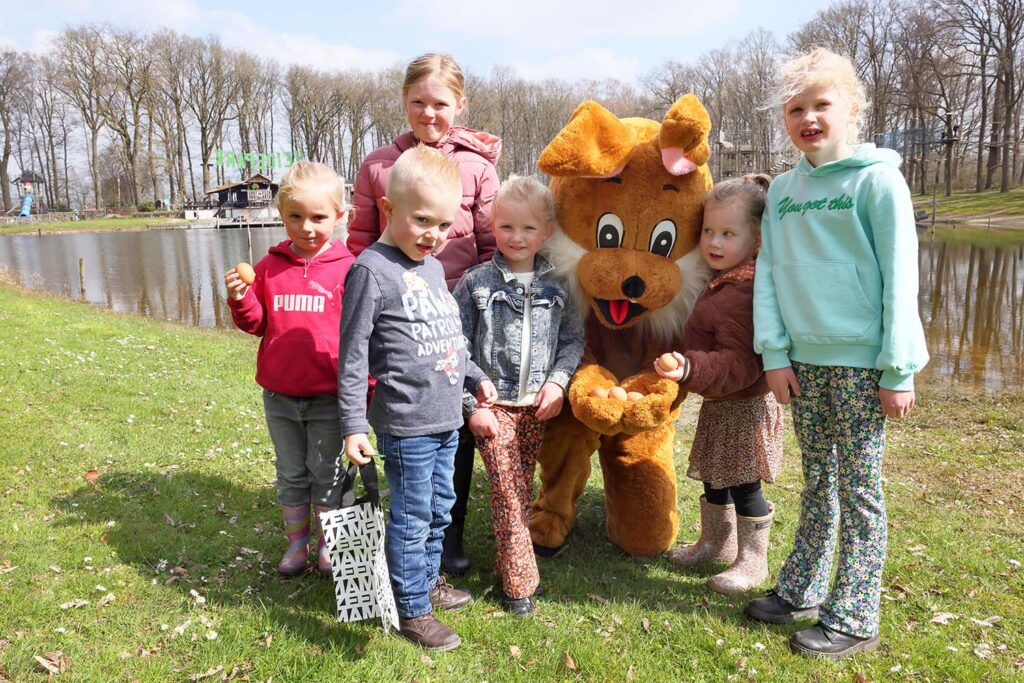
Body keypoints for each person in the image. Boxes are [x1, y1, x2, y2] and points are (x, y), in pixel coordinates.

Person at [744, 47, 929, 660]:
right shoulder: (785, 192)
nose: (808, 118)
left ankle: (853, 614)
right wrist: (773, 354)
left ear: (852, 109)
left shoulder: (879, 181)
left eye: (821, 105)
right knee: (818, 481)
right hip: (802, 363)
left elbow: (901, 276)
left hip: (861, 365)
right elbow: (768, 274)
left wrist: (897, 367)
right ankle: (801, 588)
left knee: (859, 489)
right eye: (795, 109)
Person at [338, 145, 497, 651]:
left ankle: (428, 583)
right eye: (422, 220)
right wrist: (352, 425)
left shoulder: (429, 267)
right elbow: (353, 356)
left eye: (444, 223)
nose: (434, 234)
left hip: (448, 418)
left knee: (440, 510)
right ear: (388, 210)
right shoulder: (371, 270)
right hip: (406, 424)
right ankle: (412, 609)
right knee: (411, 516)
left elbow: (448, 338)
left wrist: (474, 376)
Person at [347, 53, 501, 576]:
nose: (429, 113)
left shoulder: (477, 168)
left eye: (440, 103)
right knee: (415, 425)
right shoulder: (378, 166)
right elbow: (361, 243)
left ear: (459, 105)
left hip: (456, 315)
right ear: (404, 102)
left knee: (454, 431)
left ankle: (449, 532)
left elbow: (488, 247)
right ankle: (417, 558)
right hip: (400, 319)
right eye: (418, 102)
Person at [453, 176, 584, 616]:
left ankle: (508, 558)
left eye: (528, 228)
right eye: (507, 227)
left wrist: (558, 383)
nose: (517, 237)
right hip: (493, 406)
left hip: (535, 405)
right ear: (492, 225)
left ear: (546, 231)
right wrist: (472, 404)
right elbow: (454, 347)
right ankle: (519, 582)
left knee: (518, 485)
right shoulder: (476, 283)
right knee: (508, 490)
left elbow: (572, 341)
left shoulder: (560, 285)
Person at [654, 174, 783, 596]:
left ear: (758, 237)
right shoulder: (723, 279)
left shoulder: (745, 291)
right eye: (709, 231)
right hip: (722, 403)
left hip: (745, 404)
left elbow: (741, 362)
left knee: (745, 483)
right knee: (714, 474)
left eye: (728, 233)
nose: (714, 241)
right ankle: (715, 542)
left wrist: (690, 368)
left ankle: (752, 560)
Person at [224, 161, 354, 577]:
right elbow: (256, 324)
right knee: (291, 473)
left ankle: (328, 546)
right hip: (279, 396)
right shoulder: (269, 266)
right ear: (282, 216)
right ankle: (296, 545)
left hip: (329, 396)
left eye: (319, 217)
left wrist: (364, 391)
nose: (307, 227)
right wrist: (242, 298)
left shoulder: (351, 270)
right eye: (295, 217)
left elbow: (361, 337)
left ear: (340, 216)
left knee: (328, 473)